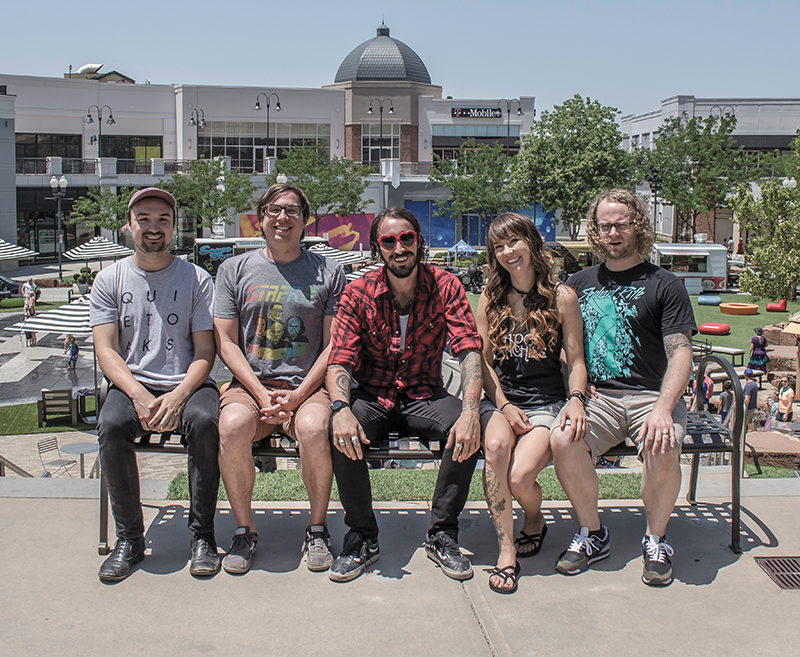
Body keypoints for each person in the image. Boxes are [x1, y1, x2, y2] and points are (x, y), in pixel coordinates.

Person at [327, 207, 483, 583]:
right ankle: (363, 535)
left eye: (407, 238)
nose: (400, 248)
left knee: (466, 429)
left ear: (419, 242)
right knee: (339, 428)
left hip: (424, 395)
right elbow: (340, 360)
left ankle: (442, 532)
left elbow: (469, 349)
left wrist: (471, 410)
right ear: (377, 248)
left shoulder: (446, 285)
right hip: (373, 394)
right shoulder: (358, 292)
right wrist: (340, 408)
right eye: (389, 241)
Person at [551, 189, 696, 588]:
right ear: (595, 231)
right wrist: (574, 394)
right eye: (605, 225)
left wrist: (665, 408)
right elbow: (565, 351)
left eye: (621, 224)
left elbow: (681, 352)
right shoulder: (577, 284)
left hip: (653, 397)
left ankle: (656, 539)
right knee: (563, 439)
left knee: (663, 443)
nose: (613, 232)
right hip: (599, 399)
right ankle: (593, 533)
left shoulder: (665, 283)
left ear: (638, 226)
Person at [214, 183, 346, 575]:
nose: (282, 218)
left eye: (291, 211)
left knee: (313, 427)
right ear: (260, 219)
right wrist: (259, 393)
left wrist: (299, 394)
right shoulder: (234, 269)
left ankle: (317, 528)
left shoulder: (328, 271)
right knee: (233, 426)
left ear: (305, 220)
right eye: (273, 210)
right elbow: (224, 340)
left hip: (307, 387)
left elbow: (333, 344)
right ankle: (244, 530)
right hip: (250, 386)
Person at [90, 187, 221, 582]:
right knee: (111, 426)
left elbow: (204, 352)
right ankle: (129, 539)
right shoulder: (108, 278)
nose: (153, 228)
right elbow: (106, 350)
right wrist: (139, 395)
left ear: (174, 227)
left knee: (204, 423)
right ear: (128, 225)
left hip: (189, 382)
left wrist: (179, 396)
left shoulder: (197, 278)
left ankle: (202, 536)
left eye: (162, 220)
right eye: (144, 219)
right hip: (133, 383)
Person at [476, 212, 587, 594]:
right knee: (495, 449)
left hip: (545, 403)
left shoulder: (562, 297)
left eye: (514, 242)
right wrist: (504, 405)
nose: (508, 252)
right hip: (501, 401)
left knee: (520, 477)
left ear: (532, 243)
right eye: (499, 247)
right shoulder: (490, 298)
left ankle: (535, 518)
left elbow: (575, 361)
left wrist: (575, 400)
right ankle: (506, 552)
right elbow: (483, 363)